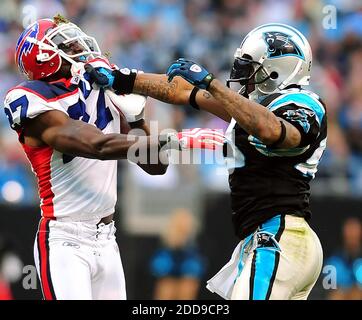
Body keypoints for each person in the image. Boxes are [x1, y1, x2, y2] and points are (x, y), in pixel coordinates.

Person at [88, 23, 326, 300]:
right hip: (275, 238)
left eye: (251, 66)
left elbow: (273, 131)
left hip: (281, 237)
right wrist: (123, 80)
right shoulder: (254, 109)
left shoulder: (303, 102)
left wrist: (212, 83)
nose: (241, 73)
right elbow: (181, 92)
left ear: (277, 69)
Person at [3, 15, 223, 300]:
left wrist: (138, 120)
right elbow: (97, 145)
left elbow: (155, 166)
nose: (79, 46)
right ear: (44, 57)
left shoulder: (97, 85)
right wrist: (174, 139)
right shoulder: (31, 99)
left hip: (107, 238)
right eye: (67, 45)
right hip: (64, 239)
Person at [150, 208, 205, 300]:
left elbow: (197, 265)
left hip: (186, 277)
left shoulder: (192, 244)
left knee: (187, 286)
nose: (182, 226)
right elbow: (157, 264)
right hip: (168, 276)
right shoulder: (166, 243)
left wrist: (189, 271)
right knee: (167, 286)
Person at [325, 217, 361, 300]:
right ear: (343, 232)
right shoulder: (333, 261)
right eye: (349, 230)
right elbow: (329, 287)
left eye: (355, 229)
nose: (352, 234)